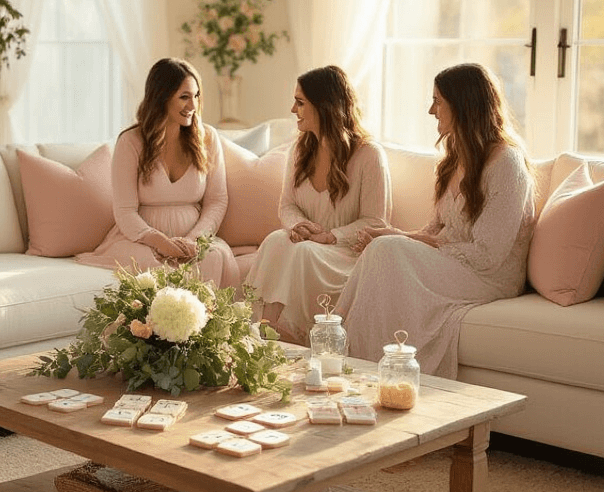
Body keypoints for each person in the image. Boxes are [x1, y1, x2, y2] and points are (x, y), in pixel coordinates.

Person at [335, 62, 535, 379]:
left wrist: (402, 242)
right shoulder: (454, 156)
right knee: (383, 249)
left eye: (438, 101)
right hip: (458, 264)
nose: (431, 110)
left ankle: (348, 360)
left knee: (388, 251)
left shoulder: (506, 163)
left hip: (490, 277)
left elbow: (488, 255)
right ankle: (349, 358)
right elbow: (435, 231)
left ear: (463, 105)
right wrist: (393, 234)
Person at [245, 66, 389, 342]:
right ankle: (262, 332)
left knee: (304, 253)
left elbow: (375, 222)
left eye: (300, 102)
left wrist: (330, 236)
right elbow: (286, 205)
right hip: (309, 243)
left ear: (324, 107)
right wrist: (299, 225)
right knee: (276, 240)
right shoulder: (300, 150)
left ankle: (296, 338)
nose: (292, 109)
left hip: (346, 253)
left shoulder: (368, 155)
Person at [77, 58, 240, 288]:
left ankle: (203, 324)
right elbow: (124, 211)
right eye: (184, 97)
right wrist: (160, 243)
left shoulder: (208, 138)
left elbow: (217, 200)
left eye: (196, 96)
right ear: (162, 96)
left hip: (194, 241)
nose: (193, 105)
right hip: (142, 241)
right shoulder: (130, 142)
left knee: (214, 257)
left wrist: (193, 240)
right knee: (153, 267)